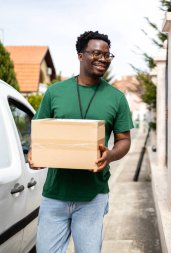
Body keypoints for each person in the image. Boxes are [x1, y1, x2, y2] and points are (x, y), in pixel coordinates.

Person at [27, 31, 134, 253]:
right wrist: (34, 154)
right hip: (55, 194)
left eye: (107, 55)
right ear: (80, 55)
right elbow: (38, 133)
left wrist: (111, 155)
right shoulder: (55, 92)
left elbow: (124, 140)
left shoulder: (116, 98)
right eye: (96, 53)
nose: (103, 59)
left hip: (92, 196)